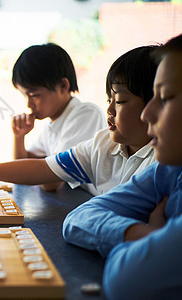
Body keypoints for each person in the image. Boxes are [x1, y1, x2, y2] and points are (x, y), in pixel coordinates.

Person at [0, 45, 158, 200]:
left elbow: (51, 182)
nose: (109, 110)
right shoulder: (101, 144)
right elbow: (40, 168)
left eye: (119, 101)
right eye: (108, 100)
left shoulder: (85, 115)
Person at [62, 34, 182, 299]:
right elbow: (77, 218)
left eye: (166, 97)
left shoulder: (158, 159)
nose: (149, 114)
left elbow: (124, 280)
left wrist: (143, 245)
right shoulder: (170, 170)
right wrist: (145, 235)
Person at [11, 43, 105, 191]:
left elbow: (51, 182)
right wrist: (19, 137)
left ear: (63, 86)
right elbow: (21, 169)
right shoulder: (52, 125)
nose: (29, 104)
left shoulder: (86, 115)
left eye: (34, 95)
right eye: (25, 96)